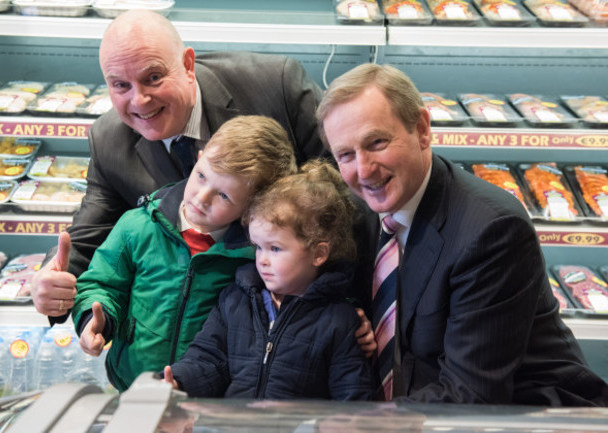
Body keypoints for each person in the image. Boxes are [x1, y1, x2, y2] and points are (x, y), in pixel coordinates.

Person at [315, 63, 608, 406]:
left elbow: (472, 394)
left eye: (377, 142)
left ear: (422, 129)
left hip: (527, 416)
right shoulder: (357, 209)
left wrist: (361, 423)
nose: (363, 170)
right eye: (346, 155)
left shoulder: (490, 230)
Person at [31, 9, 325, 324]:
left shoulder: (276, 87)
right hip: (178, 337)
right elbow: (89, 235)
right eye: (120, 86)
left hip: (287, 318)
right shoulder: (109, 139)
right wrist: (51, 281)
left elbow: (343, 194)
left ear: (187, 65)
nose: (139, 100)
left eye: (153, 78)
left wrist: (339, 303)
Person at [71, 115, 298, 392]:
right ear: (199, 158)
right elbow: (102, 283)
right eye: (201, 175)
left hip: (213, 397)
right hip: (132, 386)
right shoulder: (139, 225)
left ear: (253, 207)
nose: (202, 197)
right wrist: (95, 319)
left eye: (224, 196)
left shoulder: (256, 257)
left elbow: (302, 289)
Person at [162, 160, 376, 400]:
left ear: (319, 253)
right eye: (258, 247)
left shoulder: (339, 321)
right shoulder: (234, 300)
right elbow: (208, 359)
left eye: (275, 249)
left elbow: (352, 398)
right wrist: (178, 381)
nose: (262, 260)